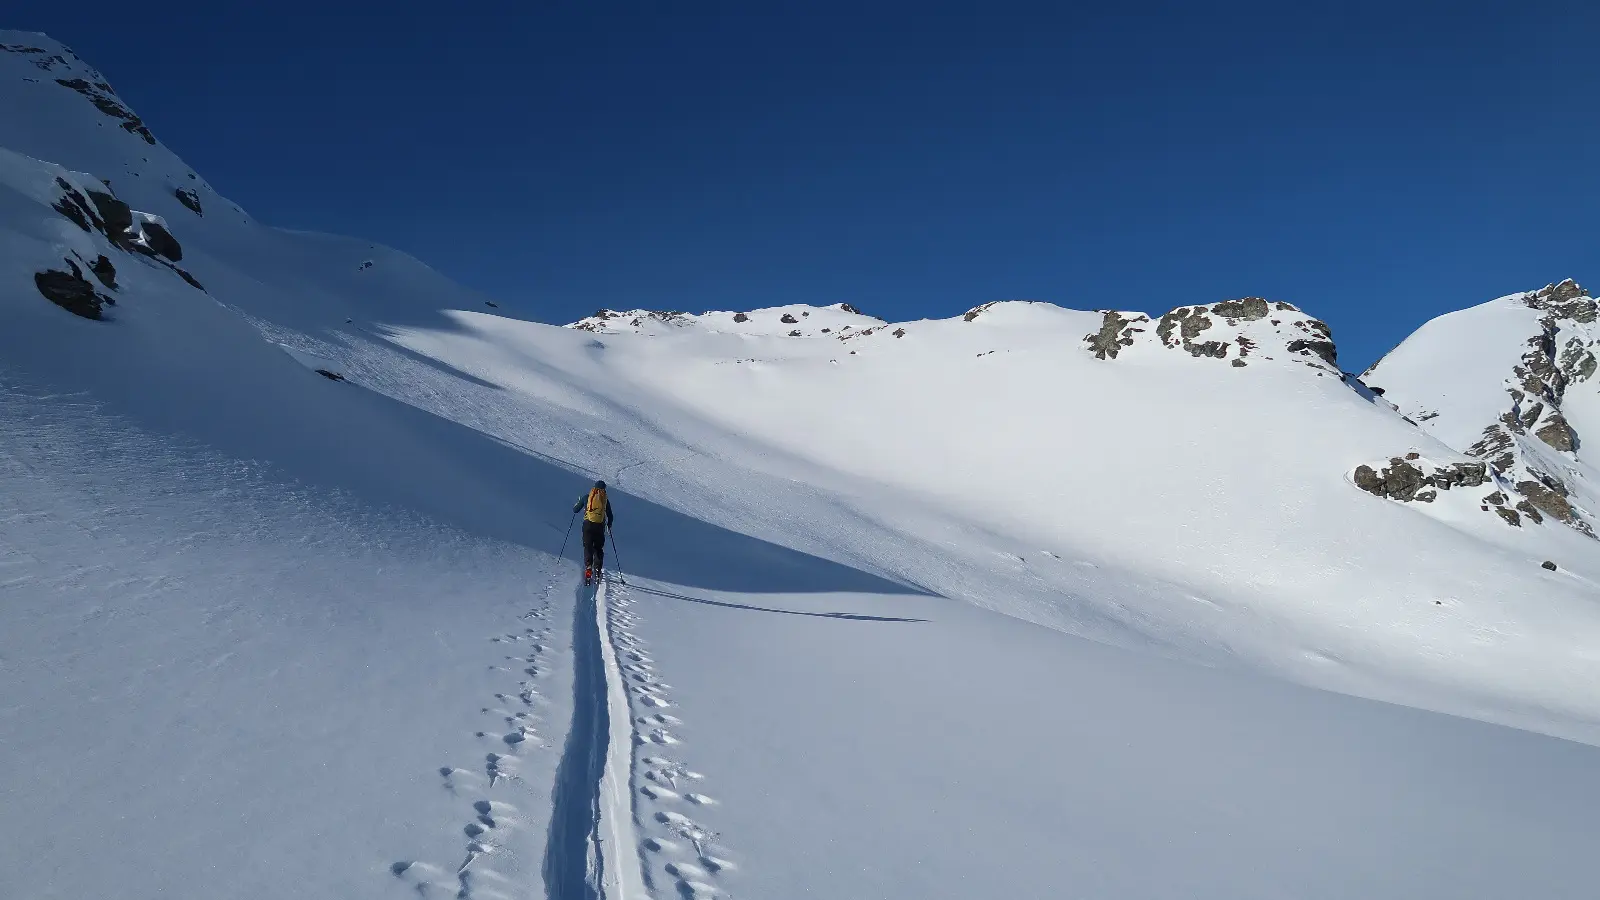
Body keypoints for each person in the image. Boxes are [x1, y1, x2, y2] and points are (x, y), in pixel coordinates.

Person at [573, 479, 614, 584]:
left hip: (587, 525)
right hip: (599, 526)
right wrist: (609, 525)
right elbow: (610, 515)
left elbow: (575, 510)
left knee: (588, 546)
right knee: (598, 548)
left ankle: (588, 567)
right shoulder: (605, 500)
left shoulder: (587, 497)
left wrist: (578, 502)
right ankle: (598, 570)